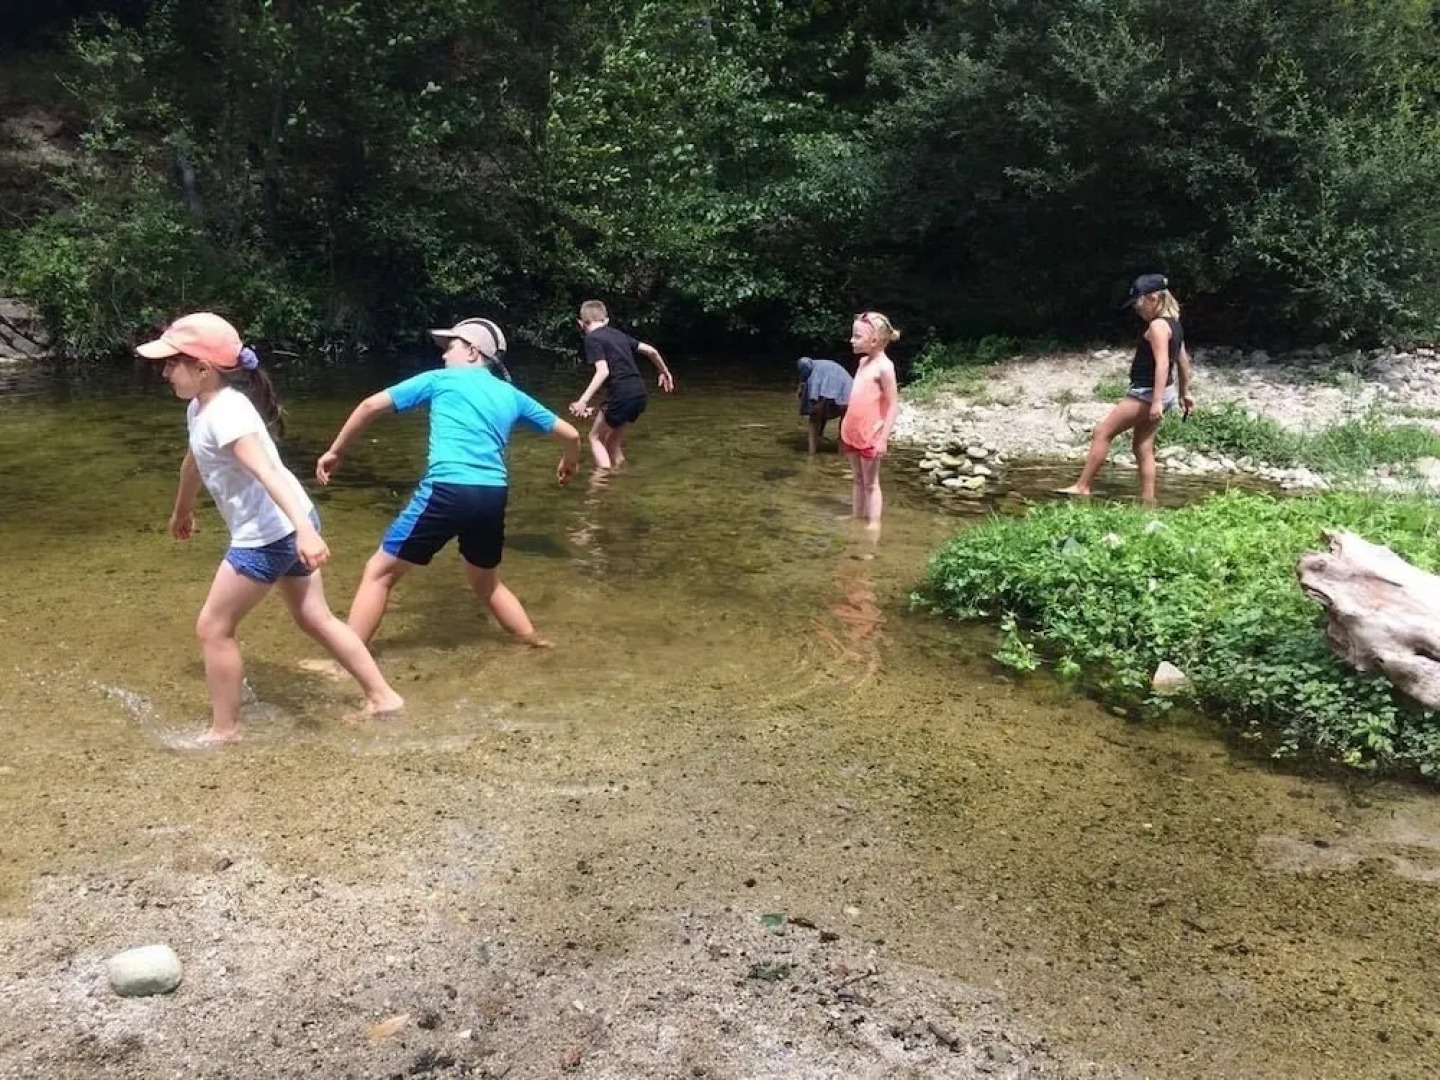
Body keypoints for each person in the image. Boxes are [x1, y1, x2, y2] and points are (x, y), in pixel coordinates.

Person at [140, 312, 404, 746]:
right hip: (288, 524)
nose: (165, 372)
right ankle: (384, 698)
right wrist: (181, 511)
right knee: (314, 617)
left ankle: (224, 731)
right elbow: (193, 462)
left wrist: (304, 532)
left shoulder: (226, 415)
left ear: (203, 369)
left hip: (271, 534)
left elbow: (267, 473)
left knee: (213, 627)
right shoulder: (201, 408)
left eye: (172, 363)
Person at [315, 318, 582, 651]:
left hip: (447, 488)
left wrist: (336, 451)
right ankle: (534, 642)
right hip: (492, 495)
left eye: (450, 347)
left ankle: (344, 665)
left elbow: (370, 405)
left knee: (378, 573)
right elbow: (572, 434)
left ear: (472, 352)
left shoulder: (439, 380)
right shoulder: (512, 395)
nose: (443, 355)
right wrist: (569, 462)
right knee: (486, 582)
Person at [1059, 274, 1196, 504]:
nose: (1137, 309)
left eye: (1138, 304)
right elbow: (1182, 360)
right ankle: (1148, 499)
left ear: (1153, 298)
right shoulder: (1174, 323)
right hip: (1164, 392)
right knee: (1142, 445)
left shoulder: (1158, 326)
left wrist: (1156, 401)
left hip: (1147, 393)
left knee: (1102, 432)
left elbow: (1163, 363)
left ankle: (1082, 487)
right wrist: (1185, 392)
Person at [568, 300, 675, 470]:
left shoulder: (592, 339)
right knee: (611, 442)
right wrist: (663, 371)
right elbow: (651, 351)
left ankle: (602, 480)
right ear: (606, 320)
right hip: (639, 393)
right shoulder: (618, 335)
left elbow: (603, 372)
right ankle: (621, 474)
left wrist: (583, 401)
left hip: (621, 394)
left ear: (581, 323)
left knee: (595, 438)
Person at [839, 311, 902, 531]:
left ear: (874, 340)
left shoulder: (885, 367)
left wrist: (883, 438)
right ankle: (857, 516)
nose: (851, 340)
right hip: (853, 430)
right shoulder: (863, 362)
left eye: (857, 336)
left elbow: (893, 404)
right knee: (857, 478)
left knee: (871, 483)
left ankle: (874, 523)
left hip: (871, 434)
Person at [796, 356, 853, 454]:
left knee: (814, 416)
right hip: (851, 392)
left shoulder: (814, 373)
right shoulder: (826, 366)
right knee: (843, 425)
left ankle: (811, 452)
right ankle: (841, 454)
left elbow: (816, 399)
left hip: (838, 394)